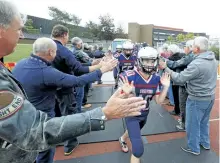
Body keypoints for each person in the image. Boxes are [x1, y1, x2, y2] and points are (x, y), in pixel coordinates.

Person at [0, 1, 147, 162]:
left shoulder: (21, 64)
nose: (21, 35)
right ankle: (70, 145)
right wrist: (103, 112)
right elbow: (37, 131)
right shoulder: (45, 72)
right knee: (46, 149)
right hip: (35, 126)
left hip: (34, 114)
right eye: (19, 29)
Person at [12, 37, 116, 163]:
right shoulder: (46, 72)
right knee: (45, 154)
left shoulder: (21, 64)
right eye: (55, 52)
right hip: (42, 121)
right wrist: (102, 70)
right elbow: (77, 81)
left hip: (24, 118)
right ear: (51, 52)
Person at [51, 25, 104, 155]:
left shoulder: (47, 47)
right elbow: (78, 69)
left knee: (55, 114)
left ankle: (56, 138)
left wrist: (92, 63)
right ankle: (70, 145)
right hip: (64, 88)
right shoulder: (63, 50)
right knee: (69, 116)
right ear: (64, 35)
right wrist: (101, 67)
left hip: (50, 88)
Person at [160, 36, 218, 155]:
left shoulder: (197, 64)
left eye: (192, 46)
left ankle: (194, 148)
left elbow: (180, 78)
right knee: (203, 122)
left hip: (197, 99)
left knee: (192, 125)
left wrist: (166, 68)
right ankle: (205, 143)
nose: (190, 48)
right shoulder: (212, 59)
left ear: (196, 48)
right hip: (210, 98)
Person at [118, 47, 170, 163]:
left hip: (144, 115)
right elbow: (117, 101)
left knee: (133, 131)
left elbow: (158, 101)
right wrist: (125, 95)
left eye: (152, 61)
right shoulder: (129, 76)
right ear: (139, 61)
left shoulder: (156, 78)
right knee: (138, 150)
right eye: (146, 61)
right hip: (131, 114)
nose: (150, 64)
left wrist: (166, 87)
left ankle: (122, 138)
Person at [164, 40, 195, 131]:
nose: (184, 48)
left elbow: (175, 64)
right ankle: (184, 121)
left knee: (183, 105)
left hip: (183, 83)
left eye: (185, 46)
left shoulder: (189, 57)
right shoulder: (189, 56)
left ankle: (184, 124)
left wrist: (164, 62)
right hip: (187, 83)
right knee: (186, 105)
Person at [167, 44, 185, 116]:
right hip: (182, 78)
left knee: (176, 96)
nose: (168, 52)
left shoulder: (172, 58)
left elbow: (169, 68)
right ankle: (180, 111)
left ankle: (177, 110)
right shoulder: (182, 55)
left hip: (175, 79)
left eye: (169, 51)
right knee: (182, 98)